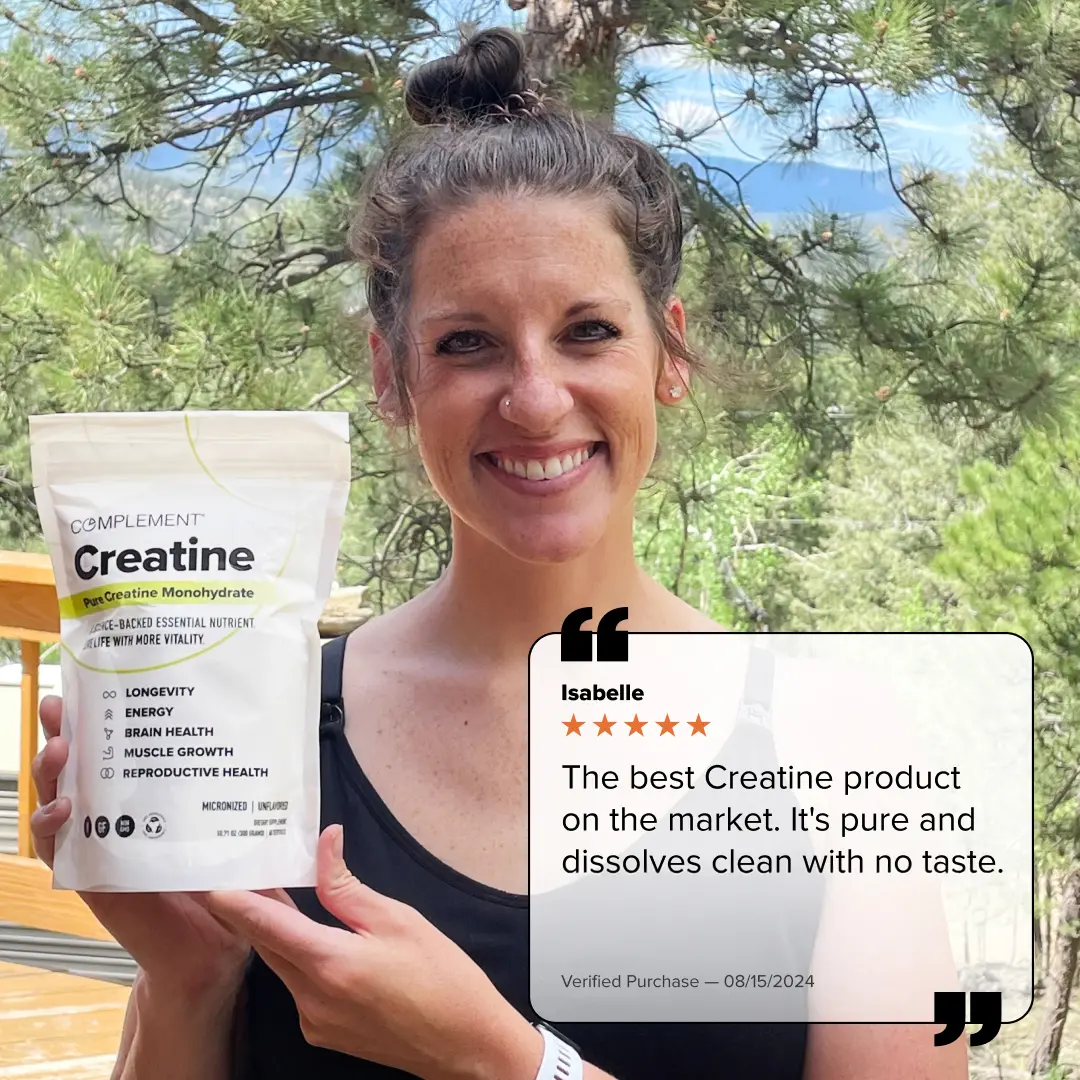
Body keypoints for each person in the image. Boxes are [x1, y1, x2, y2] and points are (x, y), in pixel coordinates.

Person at [30, 25, 969, 1080]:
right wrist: (186, 980)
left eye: (588, 331)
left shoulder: (837, 748)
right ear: (391, 377)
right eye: (467, 343)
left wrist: (503, 1062)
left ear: (668, 353)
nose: (534, 399)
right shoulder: (266, 739)